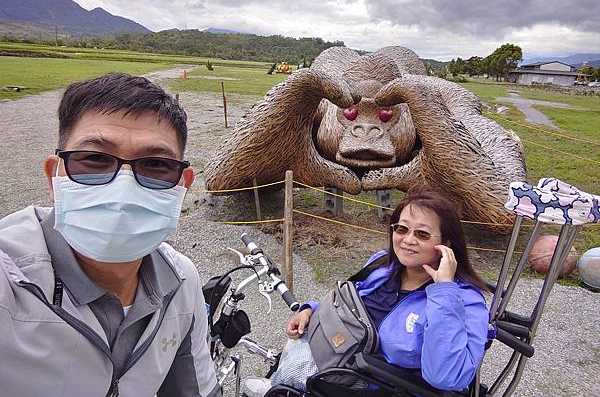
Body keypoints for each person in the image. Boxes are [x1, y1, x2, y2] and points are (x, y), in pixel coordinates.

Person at [0, 73, 221, 397]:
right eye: (95, 159)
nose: (124, 187)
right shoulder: (11, 282)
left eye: (155, 164)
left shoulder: (182, 282)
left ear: (182, 186)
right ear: (54, 177)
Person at [272, 187, 489, 392]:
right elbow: (350, 302)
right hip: (335, 362)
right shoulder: (382, 265)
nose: (408, 240)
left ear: (447, 243)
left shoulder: (466, 300)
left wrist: (444, 291)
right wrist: (310, 310)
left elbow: (445, 376)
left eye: (422, 234)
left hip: (374, 387)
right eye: (402, 229)